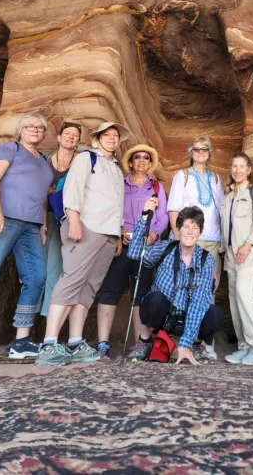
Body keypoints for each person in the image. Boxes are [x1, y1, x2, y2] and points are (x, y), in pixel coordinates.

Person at [35, 121, 129, 367]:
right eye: (106, 135)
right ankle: (49, 343)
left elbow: (116, 203)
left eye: (115, 136)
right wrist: (74, 220)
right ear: (97, 139)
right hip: (86, 227)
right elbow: (72, 191)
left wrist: (117, 235)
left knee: (88, 287)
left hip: (108, 234)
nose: (111, 139)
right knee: (71, 279)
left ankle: (75, 343)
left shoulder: (116, 169)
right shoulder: (87, 159)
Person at [0, 113, 53, 361]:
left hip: (31, 225)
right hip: (2, 220)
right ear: (21, 129)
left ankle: (21, 341)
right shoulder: (10, 148)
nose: (35, 130)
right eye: (30, 126)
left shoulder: (44, 161)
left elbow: (42, 198)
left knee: (36, 277)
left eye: (40, 127)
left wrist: (43, 226)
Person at [96, 144, 169, 359]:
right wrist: (119, 232)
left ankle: (140, 345)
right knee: (109, 291)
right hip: (122, 245)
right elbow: (110, 209)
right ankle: (102, 345)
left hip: (147, 247)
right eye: (137, 157)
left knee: (141, 295)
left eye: (146, 158)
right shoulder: (120, 184)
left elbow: (163, 216)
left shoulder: (156, 187)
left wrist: (154, 234)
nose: (142, 160)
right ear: (130, 161)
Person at [127, 206, 223, 365]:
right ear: (178, 229)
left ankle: (195, 344)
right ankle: (144, 341)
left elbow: (199, 302)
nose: (190, 231)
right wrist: (144, 219)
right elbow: (135, 253)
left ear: (200, 232)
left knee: (214, 314)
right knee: (154, 299)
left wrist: (184, 343)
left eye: (195, 227)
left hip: (189, 314)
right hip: (165, 313)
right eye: (186, 226)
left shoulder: (207, 260)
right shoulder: (166, 248)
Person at [167, 136, 225, 360]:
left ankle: (206, 342)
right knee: (185, 290)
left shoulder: (216, 178)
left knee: (209, 291)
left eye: (205, 150)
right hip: (190, 240)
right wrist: (176, 236)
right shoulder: (182, 176)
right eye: (197, 149)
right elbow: (173, 209)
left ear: (209, 153)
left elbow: (221, 210)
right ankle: (185, 341)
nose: (201, 153)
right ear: (191, 153)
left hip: (212, 241)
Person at [221, 152, 253, 365]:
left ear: (249, 170)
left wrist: (248, 244)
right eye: (234, 166)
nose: (238, 170)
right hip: (231, 252)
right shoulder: (228, 196)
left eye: (242, 166)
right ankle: (245, 345)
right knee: (234, 298)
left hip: (250, 250)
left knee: (244, 293)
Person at [40, 121, 82, 317]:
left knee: (54, 270)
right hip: (41, 217)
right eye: (68, 133)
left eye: (75, 135)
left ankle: (48, 325)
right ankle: (27, 326)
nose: (71, 137)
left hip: (64, 220)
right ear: (59, 137)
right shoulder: (45, 160)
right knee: (36, 272)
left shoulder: (80, 164)